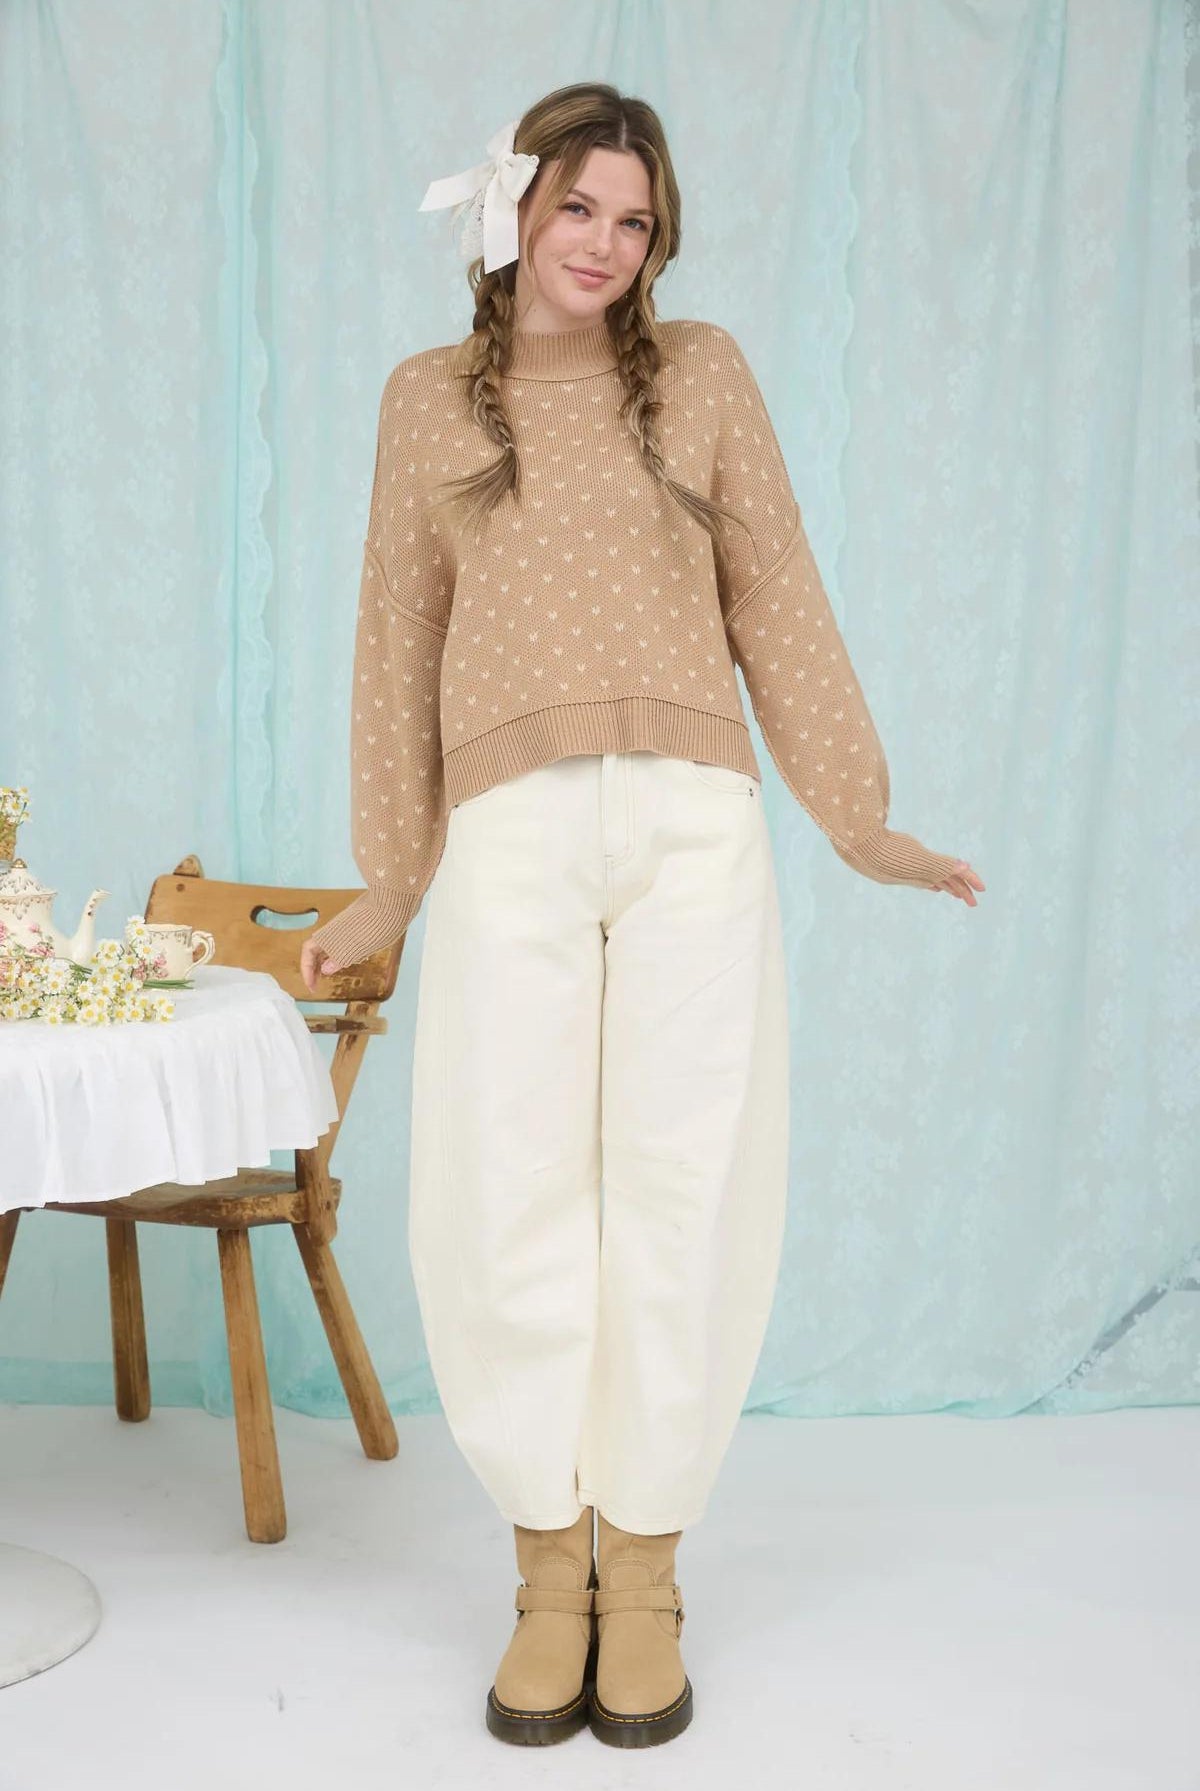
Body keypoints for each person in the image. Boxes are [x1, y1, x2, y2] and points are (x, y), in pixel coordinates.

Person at [300, 82, 984, 1750]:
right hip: (509, 835)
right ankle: (550, 1572)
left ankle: (650, 1574)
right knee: (508, 1191)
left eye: (635, 218)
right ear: (515, 210)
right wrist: (391, 874)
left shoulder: (706, 375)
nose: (605, 243)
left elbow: (779, 596)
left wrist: (858, 815)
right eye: (579, 208)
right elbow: (395, 636)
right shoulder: (423, 403)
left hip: (693, 829)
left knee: (687, 1191)